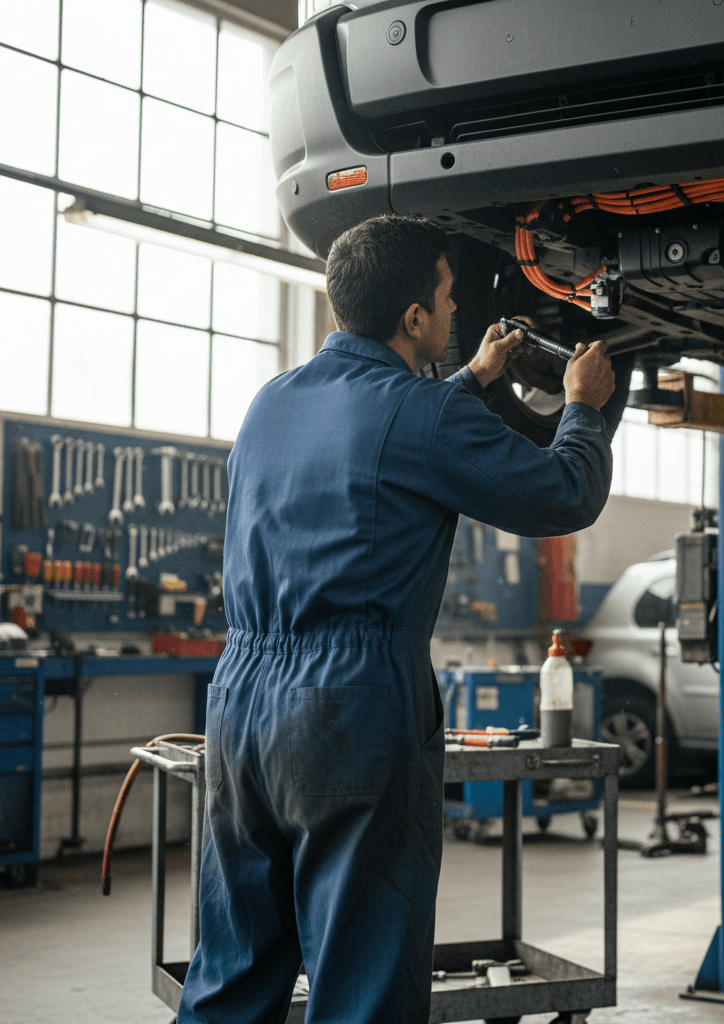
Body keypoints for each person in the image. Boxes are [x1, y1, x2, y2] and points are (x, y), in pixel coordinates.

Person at [177, 215, 617, 1024]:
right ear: (414, 317)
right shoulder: (421, 414)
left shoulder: (269, 403)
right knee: (364, 981)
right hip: (349, 708)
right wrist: (585, 408)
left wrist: (476, 379)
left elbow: (382, 432)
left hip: (239, 706)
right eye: (448, 300)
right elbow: (566, 494)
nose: (455, 318)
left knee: (234, 969)